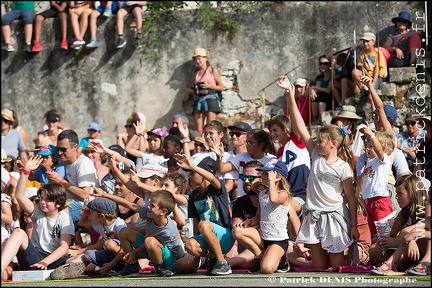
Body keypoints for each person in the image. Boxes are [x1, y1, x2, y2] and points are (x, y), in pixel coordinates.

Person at [278, 75, 359, 270]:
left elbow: (350, 196)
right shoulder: (314, 153)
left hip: (334, 216)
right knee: (321, 266)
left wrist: (354, 226)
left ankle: (358, 256)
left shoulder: (343, 166)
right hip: (314, 215)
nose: (317, 142)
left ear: (333, 144)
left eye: (321, 140)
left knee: (336, 266)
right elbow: (299, 125)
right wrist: (290, 94)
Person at [0, 156, 75, 278]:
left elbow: (64, 246)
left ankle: (64, 271)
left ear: (59, 203)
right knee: (18, 232)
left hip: (51, 260)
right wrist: (26, 171)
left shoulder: (64, 218)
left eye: (48, 200)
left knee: (77, 259)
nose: (42, 202)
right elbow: (19, 195)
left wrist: (45, 262)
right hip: (33, 257)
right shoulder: (38, 211)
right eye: (41, 199)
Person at [91, 187, 185, 277]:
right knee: (124, 231)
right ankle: (132, 266)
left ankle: (161, 267)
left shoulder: (167, 230)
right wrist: (104, 195)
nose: (148, 206)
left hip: (169, 258)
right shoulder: (151, 214)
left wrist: (134, 252)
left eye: (152, 205)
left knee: (150, 241)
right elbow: (129, 204)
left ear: (163, 212)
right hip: (151, 248)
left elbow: (149, 243)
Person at [173, 155, 235, 276]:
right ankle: (213, 258)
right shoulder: (193, 196)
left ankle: (222, 263)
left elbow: (212, 178)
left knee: (204, 225)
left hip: (225, 236)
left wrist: (192, 166)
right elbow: (196, 223)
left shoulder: (218, 187)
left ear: (203, 173)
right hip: (206, 235)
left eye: (192, 173)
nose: (189, 176)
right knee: (190, 244)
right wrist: (197, 256)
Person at [234, 159, 293, 274]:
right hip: (263, 237)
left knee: (266, 269)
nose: (263, 176)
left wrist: (271, 181)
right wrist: (248, 222)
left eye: (267, 173)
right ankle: (260, 256)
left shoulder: (283, 193)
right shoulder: (262, 194)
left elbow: (274, 199)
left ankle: (282, 260)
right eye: (263, 173)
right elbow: (258, 217)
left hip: (278, 240)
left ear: (278, 176)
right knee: (237, 231)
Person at [51, 197, 128, 279]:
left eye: (92, 212)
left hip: (123, 256)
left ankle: (127, 266)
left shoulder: (119, 225)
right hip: (109, 255)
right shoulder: (100, 223)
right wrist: (87, 208)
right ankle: (67, 271)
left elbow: (124, 250)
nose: (89, 214)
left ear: (101, 215)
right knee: (88, 254)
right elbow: (82, 222)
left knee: (109, 244)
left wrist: (111, 264)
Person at [369, 174, 430, 273]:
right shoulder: (404, 212)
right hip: (410, 249)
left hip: (425, 250)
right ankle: (396, 264)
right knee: (372, 249)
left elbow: (412, 235)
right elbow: (391, 236)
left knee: (411, 236)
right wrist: (383, 242)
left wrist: (411, 239)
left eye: (400, 193)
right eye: (396, 193)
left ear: (412, 193)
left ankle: (394, 264)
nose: (396, 197)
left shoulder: (426, 208)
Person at [47, 130, 97, 223]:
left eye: (63, 149)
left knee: (56, 216)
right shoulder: (62, 161)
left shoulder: (84, 163)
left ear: (75, 147)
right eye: (58, 149)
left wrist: (60, 180)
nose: (60, 153)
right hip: (64, 201)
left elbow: (84, 195)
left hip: (83, 205)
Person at [214, 129, 276, 199]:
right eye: (246, 142)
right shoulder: (241, 157)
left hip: (263, 200)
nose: (246, 145)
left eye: (250, 143)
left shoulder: (271, 160)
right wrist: (219, 157)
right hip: (242, 199)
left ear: (261, 144)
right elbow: (221, 169)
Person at [356, 127, 395, 238]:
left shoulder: (383, 160)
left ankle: (386, 254)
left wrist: (372, 135)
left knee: (384, 236)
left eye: (371, 146)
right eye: (367, 146)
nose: (367, 149)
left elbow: (379, 152)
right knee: (374, 236)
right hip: (369, 203)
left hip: (380, 201)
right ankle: (376, 253)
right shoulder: (368, 163)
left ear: (382, 148)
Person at [225, 160, 262, 269]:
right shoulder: (240, 202)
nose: (246, 181)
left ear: (261, 179)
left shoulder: (270, 199)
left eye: (250, 178)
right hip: (246, 244)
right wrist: (234, 245)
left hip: (267, 241)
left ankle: (230, 262)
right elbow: (236, 225)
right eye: (243, 177)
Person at [188, 48, 225, 135]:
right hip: (198, 100)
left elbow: (221, 87)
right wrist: (195, 90)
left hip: (210, 99)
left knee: (211, 126)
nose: (198, 61)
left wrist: (209, 86)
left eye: (199, 58)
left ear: (205, 58)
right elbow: (190, 88)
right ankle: (201, 146)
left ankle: (212, 145)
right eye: (196, 59)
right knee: (199, 129)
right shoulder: (195, 73)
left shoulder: (212, 71)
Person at [352, 32, 387, 101]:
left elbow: (377, 68)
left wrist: (373, 80)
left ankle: (374, 110)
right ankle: (363, 91)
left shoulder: (378, 53)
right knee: (355, 72)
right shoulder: (362, 53)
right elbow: (362, 67)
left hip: (377, 76)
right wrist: (368, 76)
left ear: (373, 42)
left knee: (371, 94)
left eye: (367, 41)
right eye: (364, 42)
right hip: (367, 76)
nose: (365, 43)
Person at [309, 55, 335, 124]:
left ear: (329, 64)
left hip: (332, 100)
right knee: (315, 95)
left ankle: (321, 118)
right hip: (322, 100)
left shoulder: (333, 74)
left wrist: (313, 87)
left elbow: (328, 91)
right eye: (321, 63)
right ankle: (315, 118)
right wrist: (312, 90)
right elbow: (317, 88)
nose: (322, 65)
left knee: (321, 94)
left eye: (325, 63)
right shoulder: (319, 78)